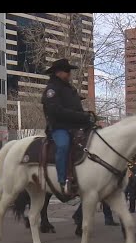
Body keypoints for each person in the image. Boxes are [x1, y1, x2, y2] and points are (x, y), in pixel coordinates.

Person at [41, 58, 95, 195]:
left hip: (75, 126)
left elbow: (77, 109)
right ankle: (62, 180)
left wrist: (87, 118)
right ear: (58, 72)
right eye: (67, 71)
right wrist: (80, 117)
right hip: (59, 127)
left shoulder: (69, 89)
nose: (69, 74)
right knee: (63, 146)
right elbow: (55, 111)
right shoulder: (51, 90)